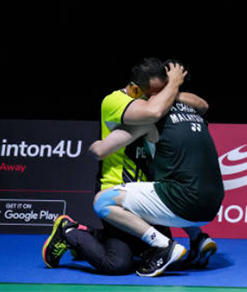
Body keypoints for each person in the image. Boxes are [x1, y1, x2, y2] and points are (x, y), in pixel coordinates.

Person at [42, 58, 216, 274]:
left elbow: (202, 105)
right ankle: (69, 233)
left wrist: (170, 89)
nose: (162, 99)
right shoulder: (115, 101)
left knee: (155, 254)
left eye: (162, 92)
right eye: (153, 93)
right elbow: (152, 112)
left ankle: (92, 235)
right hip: (117, 191)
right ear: (135, 89)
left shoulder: (157, 101)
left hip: (147, 195)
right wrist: (172, 85)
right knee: (118, 264)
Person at [86, 60, 225, 277]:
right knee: (164, 179)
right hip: (213, 206)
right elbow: (203, 104)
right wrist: (173, 87)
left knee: (102, 201)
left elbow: (101, 150)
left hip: (181, 202)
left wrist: (97, 146)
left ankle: (163, 246)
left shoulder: (151, 116)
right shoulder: (193, 111)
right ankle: (198, 238)